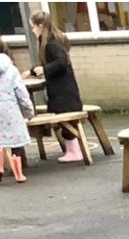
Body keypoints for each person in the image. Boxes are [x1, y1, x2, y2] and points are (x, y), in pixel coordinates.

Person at [29, 10, 84, 162]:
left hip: (63, 92)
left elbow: (61, 62)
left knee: (64, 119)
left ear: (40, 26)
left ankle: (75, 152)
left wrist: (44, 69)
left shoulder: (51, 43)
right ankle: (72, 151)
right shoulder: (52, 40)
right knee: (61, 119)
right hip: (63, 90)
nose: (32, 30)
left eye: (33, 26)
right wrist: (32, 71)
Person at [0, 31, 33, 183]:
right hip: (11, 110)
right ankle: (18, 174)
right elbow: (21, 92)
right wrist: (28, 111)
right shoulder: (11, 69)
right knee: (15, 142)